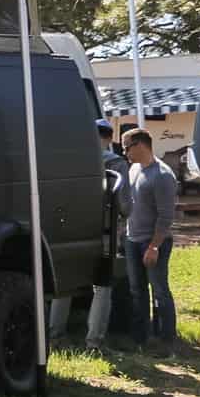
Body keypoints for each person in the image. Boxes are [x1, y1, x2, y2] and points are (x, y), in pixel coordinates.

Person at [49, 119, 132, 351]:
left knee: (64, 285)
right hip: (104, 233)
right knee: (102, 287)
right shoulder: (116, 163)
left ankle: (55, 336)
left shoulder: (69, 161)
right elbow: (125, 206)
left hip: (70, 231)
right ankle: (94, 342)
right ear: (109, 137)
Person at [122, 127, 178, 354]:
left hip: (153, 242)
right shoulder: (134, 168)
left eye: (127, 147)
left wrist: (154, 246)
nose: (125, 153)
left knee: (160, 290)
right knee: (137, 290)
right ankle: (141, 339)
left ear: (141, 145)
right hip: (132, 240)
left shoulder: (162, 175)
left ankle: (166, 340)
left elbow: (166, 216)